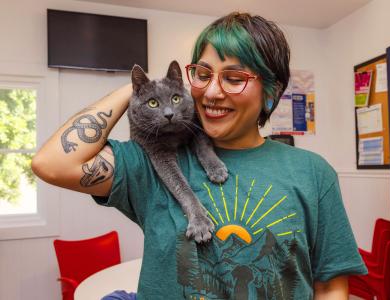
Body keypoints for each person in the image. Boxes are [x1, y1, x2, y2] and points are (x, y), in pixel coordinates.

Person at [32, 12, 367, 300]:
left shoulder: (313, 173)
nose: (212, 91)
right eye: (203, 75)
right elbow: (51, 163)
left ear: (271, 92)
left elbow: (331, 287)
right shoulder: (148, 162)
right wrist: (143, 88)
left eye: (233, 78)